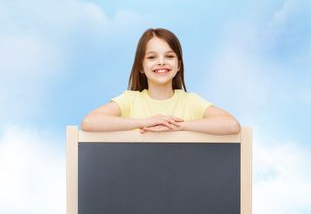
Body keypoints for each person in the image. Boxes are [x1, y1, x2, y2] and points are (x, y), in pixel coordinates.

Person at [81, 28, 241, 135]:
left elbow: (232, 125)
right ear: (141, 66)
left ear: (178, 65)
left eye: (169, 56)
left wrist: (178, 126)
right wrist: (146, 122)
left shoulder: (190, 101)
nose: (161, 62)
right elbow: (89, 122)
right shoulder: (130, 100)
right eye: (152, 57)